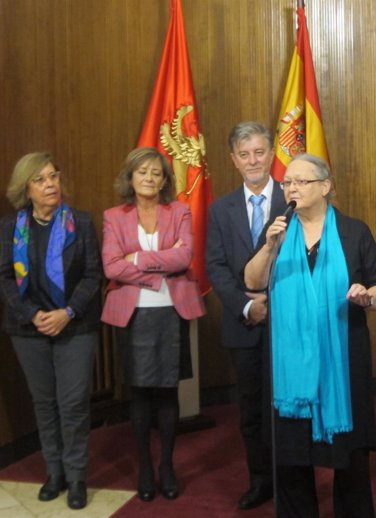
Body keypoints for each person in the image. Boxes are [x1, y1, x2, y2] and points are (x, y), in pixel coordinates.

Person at [244, 153, 376, 518]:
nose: (291, 188)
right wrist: (268, 247)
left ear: (325, 186)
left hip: (341, 356)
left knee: (349, 455)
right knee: (291, 455)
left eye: (300, 181)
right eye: (287, 183)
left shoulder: (353, 231)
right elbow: (252, 282)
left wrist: (367, 298)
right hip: (288, 361)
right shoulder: (278, 230)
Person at [101, 147, 205, 502]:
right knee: (140, 393)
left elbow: (185, 256)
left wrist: (139, 259)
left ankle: (167, 466)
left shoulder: (179, 210)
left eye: (156, 173)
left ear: (165, 180)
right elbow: (111, 267)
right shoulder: (114, 216)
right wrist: (156, 272)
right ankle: (145, 466)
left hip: (170, 311)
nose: (149, 178)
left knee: (167, 392)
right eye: (142, 172)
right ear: (130, 177)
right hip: (133, 314)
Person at [0, 152, 102, 510]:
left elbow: (93, 275)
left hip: (75, 326)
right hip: (28, 329)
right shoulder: (11, 227)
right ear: (26, 188)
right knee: (44, 403)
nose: (50, 185)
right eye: (40, 179)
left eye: (53, 176)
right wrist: (32, 315)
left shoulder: (80, 223)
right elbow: (5, 278)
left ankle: (76, 477)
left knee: (72, 404)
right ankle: (54, 472)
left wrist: (68, 312)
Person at [205, 120, 287, 510]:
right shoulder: (220, 209)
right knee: (251, 408)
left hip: (288, 322)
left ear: (272, 154)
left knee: (288, 403)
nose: (253, 160)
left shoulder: (294, 198)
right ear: (233, 160)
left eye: (259, 152)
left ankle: (291, 478)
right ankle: (260, 480)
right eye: (244, 154)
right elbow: (216, 268)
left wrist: (273, 305)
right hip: (243, 324)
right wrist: (246, 305)